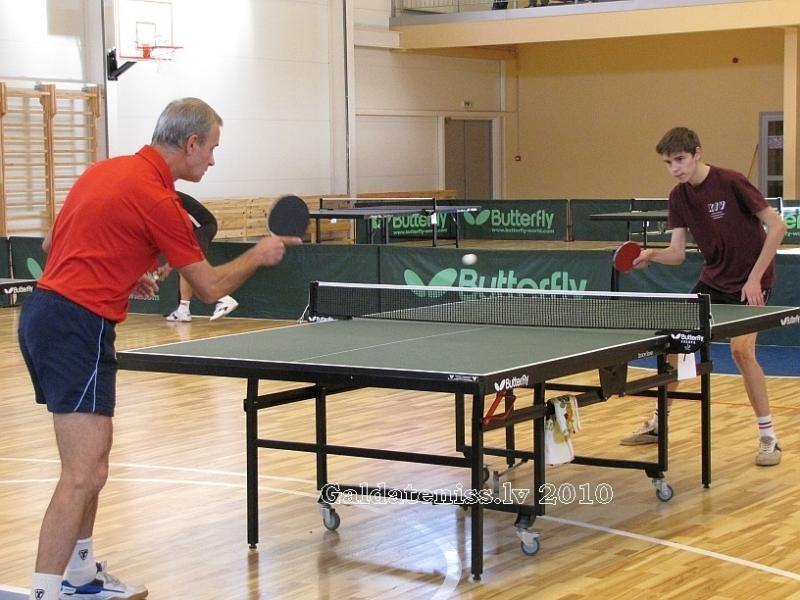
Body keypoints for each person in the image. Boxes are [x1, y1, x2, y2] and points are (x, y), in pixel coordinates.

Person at [18, 97, 302, 600]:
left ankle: (80, 576)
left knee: (94, 465)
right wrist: (258, 254)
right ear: (190, 143)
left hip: (46, 315)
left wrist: (120, 271)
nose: (212, 160)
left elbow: (50, 247)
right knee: (81, 472)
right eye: (212, 148)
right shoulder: (158, 199)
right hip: (76, 326)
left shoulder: (104, 171)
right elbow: (210, 287)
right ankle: (43, 593)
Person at [620, 126, 787, 467]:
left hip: (751, 282)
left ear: (697, 153)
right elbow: (677, 253)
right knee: (676, 345)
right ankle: (658, 424)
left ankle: (769, 437)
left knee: (742, 352)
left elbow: (777, 226)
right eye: (668, 163)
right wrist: (651, 254)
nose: (675, 168)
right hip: (713, 280)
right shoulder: (678, 197)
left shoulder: (731, 181)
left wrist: (755, 278)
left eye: (680, 159)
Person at [165, 191, 238, 322]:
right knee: (185, 266)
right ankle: (183, 310)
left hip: (202, 226)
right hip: (192, 229)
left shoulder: (163, 198)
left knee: (189, 265)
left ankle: (224, 299)